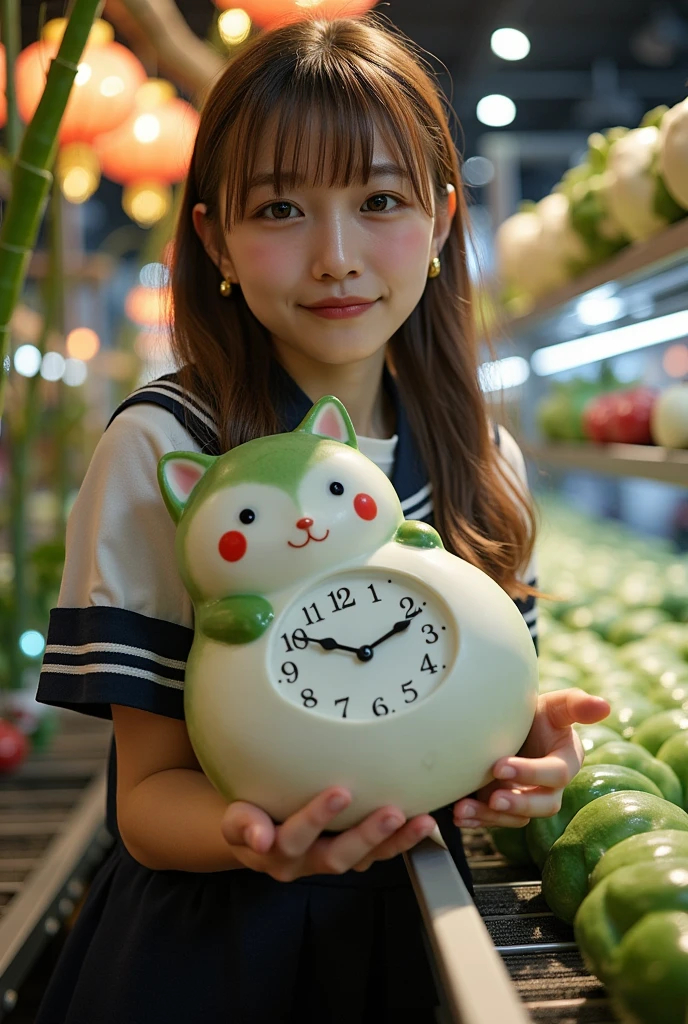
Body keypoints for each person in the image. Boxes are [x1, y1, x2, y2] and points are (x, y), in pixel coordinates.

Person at [35, 14, 610, 1023]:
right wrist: (253, 834)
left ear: (436, 223)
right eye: (281, 208)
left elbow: (467, 697)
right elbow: (147, 798)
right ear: (214, 235)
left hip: (423, 934)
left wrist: (532, 750)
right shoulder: (169, 450)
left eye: (379, 200)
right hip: (215, 953)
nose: (335, 256)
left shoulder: (480, 455)